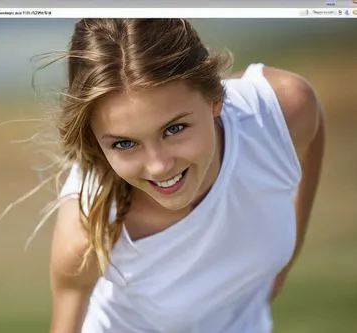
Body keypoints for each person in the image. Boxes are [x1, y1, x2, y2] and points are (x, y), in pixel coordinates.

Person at [44, 19, 324, 333]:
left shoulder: (280, 113)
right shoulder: (87, 231)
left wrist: (288, 257)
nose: (159, 165)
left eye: (174, 129)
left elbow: (311, 137)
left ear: (214, 98)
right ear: (96, 141)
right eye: (124, 143)